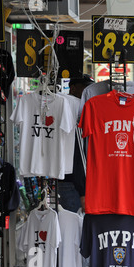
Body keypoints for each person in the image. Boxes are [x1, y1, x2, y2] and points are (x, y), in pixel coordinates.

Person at [57, 75, 94, 213]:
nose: (89, 92)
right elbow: (78, 154)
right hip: (72, 182)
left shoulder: (80, 109)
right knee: (75, 227)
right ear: (73, 89)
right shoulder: (75, 110)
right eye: (86, 88)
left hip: (70, 180)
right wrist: (83, 190)